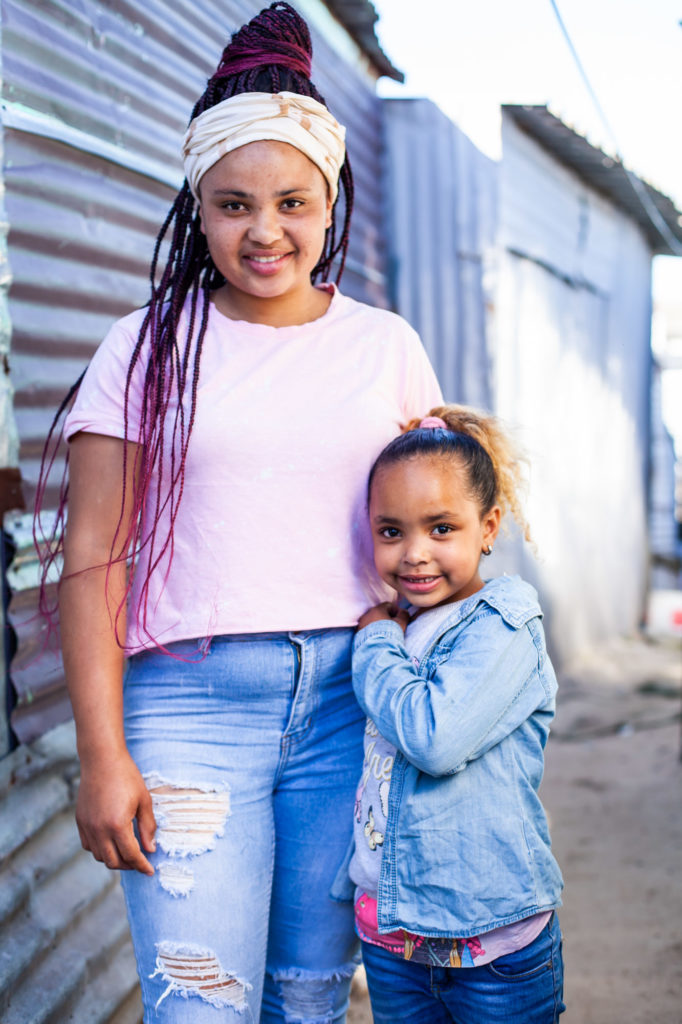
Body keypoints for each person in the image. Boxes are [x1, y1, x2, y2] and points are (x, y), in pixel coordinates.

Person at [40, 4, 442, 1021]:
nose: (265, 232)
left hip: (352, 709)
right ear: (198, 208)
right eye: (233, 205)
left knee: (307, 1005)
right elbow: (93, 557)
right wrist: (101, 756)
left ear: (329, 200)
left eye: (293, 202)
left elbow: (436, 541)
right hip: (190, 713)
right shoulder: (144, 348)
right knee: (201, 1006)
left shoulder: (386, 348)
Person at [334, 405, 565, 1023]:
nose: (415, 554)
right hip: (393, 943)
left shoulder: (504, 624)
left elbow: (433, 738)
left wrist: (373, 642)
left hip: (492, 946)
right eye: (391, 532)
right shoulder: (404, 625)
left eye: (441, 528)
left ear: (488, 528)